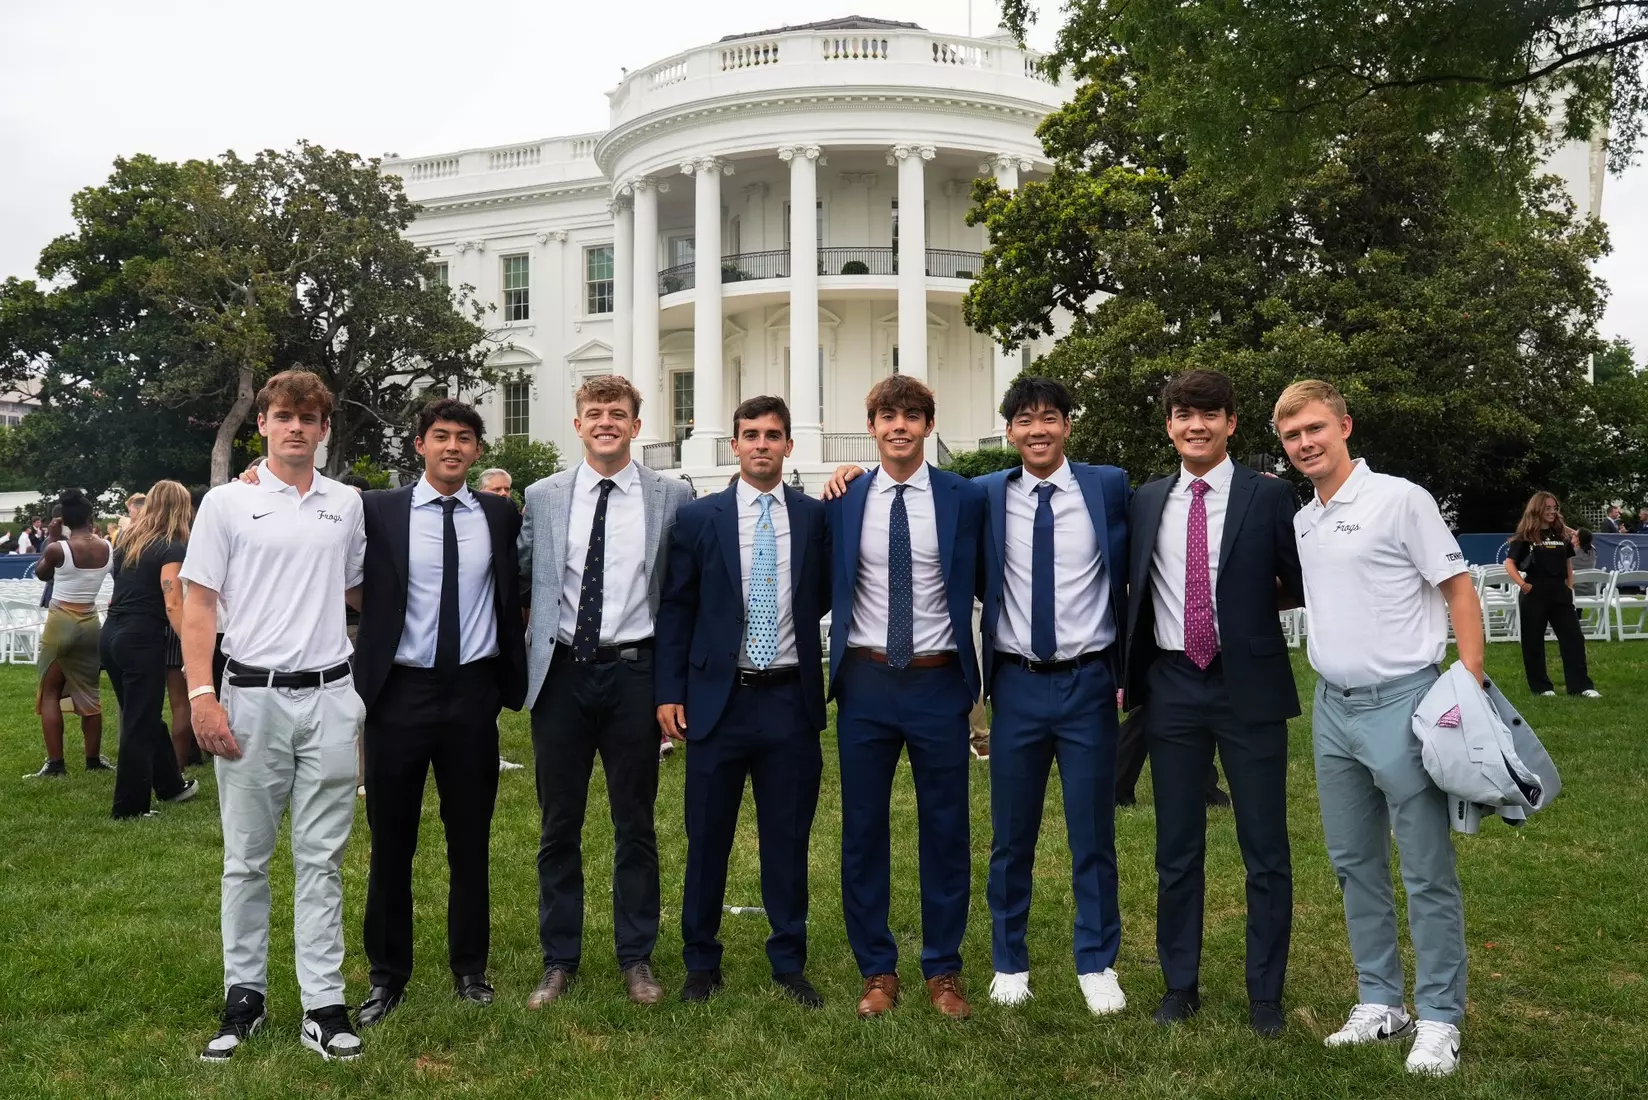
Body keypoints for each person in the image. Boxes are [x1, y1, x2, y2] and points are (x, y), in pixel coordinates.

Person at [1274, 378, 1483, 1077]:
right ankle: (1379, 1001)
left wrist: (1469, 686)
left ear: (1344, 427)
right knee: (1353, 862)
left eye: (1314, 429)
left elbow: (1459, 590)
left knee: (1425, 868)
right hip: (1332, 707)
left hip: (1405, 701)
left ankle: (1440, 1017)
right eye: (1292, 435)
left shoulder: (1401, 499)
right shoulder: (1305, 520)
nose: (1305, 443)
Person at [181, 369, 367, 1063]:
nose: (297, 428)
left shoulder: (346, 504)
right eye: (284, 416)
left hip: (329, 695)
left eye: (309, 418)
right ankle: (244, 999)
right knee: (247, 860)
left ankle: (323, 1004)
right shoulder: (226, 504)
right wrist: (202, 695)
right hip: (249, 696)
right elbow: (198, 604)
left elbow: (356, 591)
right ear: (263, 423)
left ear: (324, 429)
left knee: (322, 859)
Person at [1122, 370, 1303, 1037]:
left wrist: (1245, 612)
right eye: (1182, 414)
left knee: (1265, 847)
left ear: (1231, 423)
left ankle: (1265, 996)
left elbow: (1301, 580)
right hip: (1171, 685)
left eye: (1209, 414)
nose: (1194, 425)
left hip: (1246, 684)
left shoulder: (1270, 497)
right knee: (1177, 846)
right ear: (1169, 424)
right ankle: (1180, 985)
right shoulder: (1144, 500)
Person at [344, 398, 528, 1026]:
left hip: (473, 693)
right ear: (418, 445)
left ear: (479, 451)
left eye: (466, 438)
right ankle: (387, 976)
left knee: (469, 838)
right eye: (441, 436)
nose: (453, 447)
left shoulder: (499, 515)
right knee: (391, 841)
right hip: (398, 693)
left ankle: (470, 969)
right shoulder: (378, 510)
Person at [518, 374, 691, 1009]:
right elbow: (518, 575)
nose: (606, 422)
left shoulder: (671, 495)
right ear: (578, 423)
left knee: (634, 822)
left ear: (636, 426)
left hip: (634, 673)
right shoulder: (543, 496)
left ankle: (636, 956)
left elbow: (682, 591)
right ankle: (559, 959)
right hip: (562, 673)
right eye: (595, 413)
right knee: (558, 823)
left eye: (618, 413)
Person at [656, 395, 831, 1008]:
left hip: (788, 700)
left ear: (789, 445)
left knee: (787, 837)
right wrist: (669, 692)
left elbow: (827, 593)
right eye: (750, 434)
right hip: (716, 701)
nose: (762, 444)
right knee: (707, 838)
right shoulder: (701, 519)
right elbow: (676, 607)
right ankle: (701, 962)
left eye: (773, 434)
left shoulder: (814, 519)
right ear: (734, 445)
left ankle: (789, 961)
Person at [966, 377, 1131, 1017]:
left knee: (1093, 832)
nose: (1039, 429)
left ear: (1067, 426)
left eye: (1051, 418)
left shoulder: (1107, 487)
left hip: (1089, 682)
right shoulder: (985, 494)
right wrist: (845, 475)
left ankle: (1097, 961)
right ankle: (1010, 959)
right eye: (1026, 420)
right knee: (1012, 834)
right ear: (1010, 431)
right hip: (1016, 683)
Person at [823, 376, 986, 1020]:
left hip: (937, 680)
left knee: (944, 828)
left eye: (912, 416)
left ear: (928, 425)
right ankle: (877, 969)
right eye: (887, 416)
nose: (900, 427)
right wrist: (841, 475)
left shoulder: (963, 497)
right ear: (871, 426)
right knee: (863, 830)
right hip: (865, 682)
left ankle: (943, 969)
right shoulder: (844, 498)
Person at [102, 480, 199, 817]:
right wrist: (191, 645)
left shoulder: (127, 541)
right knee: (139, 722)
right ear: (181, 508)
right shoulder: (172, 547)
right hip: (141, 637)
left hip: (111, 633)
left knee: (140, 713)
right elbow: (173, 603)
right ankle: (129, 807)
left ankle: (170, 784)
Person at [26, 492, 111, 778]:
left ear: (63, 520)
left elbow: (41, 574)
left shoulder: (58, 548)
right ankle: (93, 759)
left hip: (61, 621)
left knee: (50, 692)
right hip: (90, 623)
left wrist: (51, 538)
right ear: (90, 517)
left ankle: (56, 764)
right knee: (90, 693)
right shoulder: (107, 547)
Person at [1504, 493, 1599, 698]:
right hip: (1534, 591)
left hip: (1560, 592)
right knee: (1533, 641)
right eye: (1547, 507)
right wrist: (1523, 585)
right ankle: (1542, 687)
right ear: (1537, 508)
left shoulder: (1560, 535)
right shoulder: (1526, 536)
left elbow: (1567, 563)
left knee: (1573, 638)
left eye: (1554, 508)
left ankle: (1581, 686)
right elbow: (1509, 563)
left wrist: (1569, 587)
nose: (1552, 511)